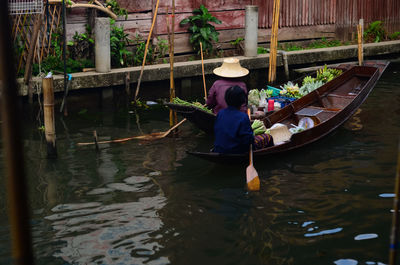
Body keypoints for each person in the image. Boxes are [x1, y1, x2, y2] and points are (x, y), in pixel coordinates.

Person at [213, 86, 274, 154]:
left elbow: (216, 131)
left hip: (219, 149)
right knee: (268, 137)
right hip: (238, 151)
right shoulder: (243, 117)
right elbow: (248, 140)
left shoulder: (220, 113)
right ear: (242, 101)